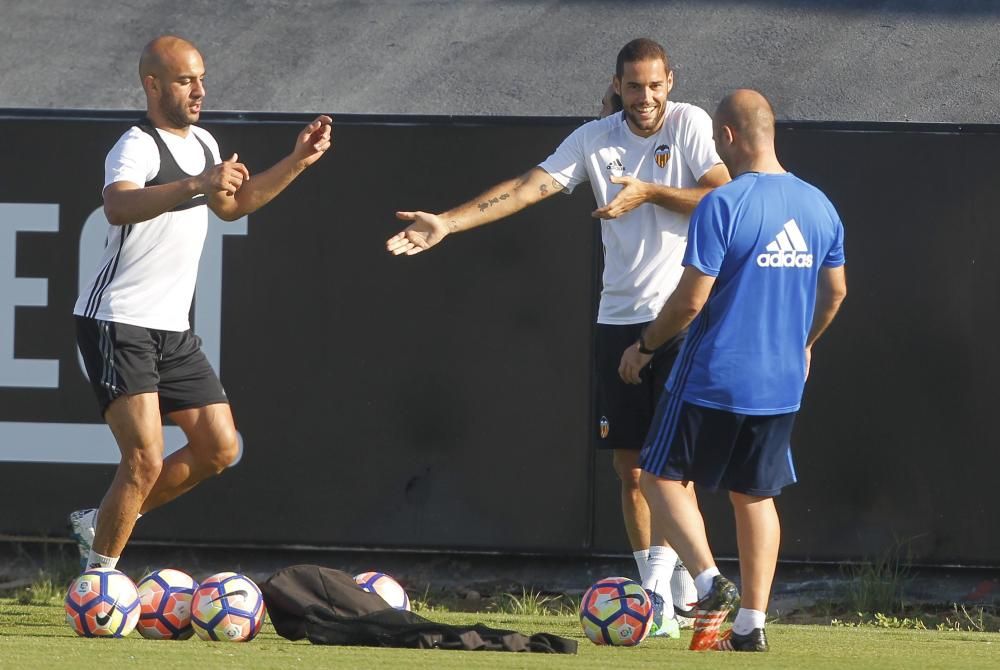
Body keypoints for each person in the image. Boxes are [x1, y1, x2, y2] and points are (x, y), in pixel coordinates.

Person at [386, 37, 729, 637]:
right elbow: (525, 188)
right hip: (616, 317)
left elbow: (721, 198)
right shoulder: (594, 139)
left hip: (679, 315)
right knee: (629, 467)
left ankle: (661, 596)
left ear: (670, 82)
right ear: (616, 85)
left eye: (654, 85)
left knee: (671, 467)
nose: (645, 97)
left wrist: (649, 192)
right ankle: (667, 592)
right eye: (633, 85)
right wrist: (447, 222)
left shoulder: (691, 124)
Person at [68, 35, 332, 571]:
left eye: (202, 79)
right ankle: (99, 582)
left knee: (220, 448)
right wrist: (196, 184)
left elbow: (233, 207)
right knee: (143, 459)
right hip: (119, 321)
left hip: (171, 329)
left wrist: (298, 161)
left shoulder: (206, 143)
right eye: (186, 80)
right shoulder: (136, 144)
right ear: (153, 84)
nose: (199, 91)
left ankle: (103, 522)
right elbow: (117, 206)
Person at [618, 89, 847, 652]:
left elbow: (690, 301)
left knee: (656, 477)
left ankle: (704, 581)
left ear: (726, 137)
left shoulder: (725, 203)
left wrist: (644, 347)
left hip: (715, 373)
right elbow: (837, 291)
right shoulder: (820, 205)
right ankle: (752, 625)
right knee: (755, 495)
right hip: (780, 382)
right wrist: (804, 343)